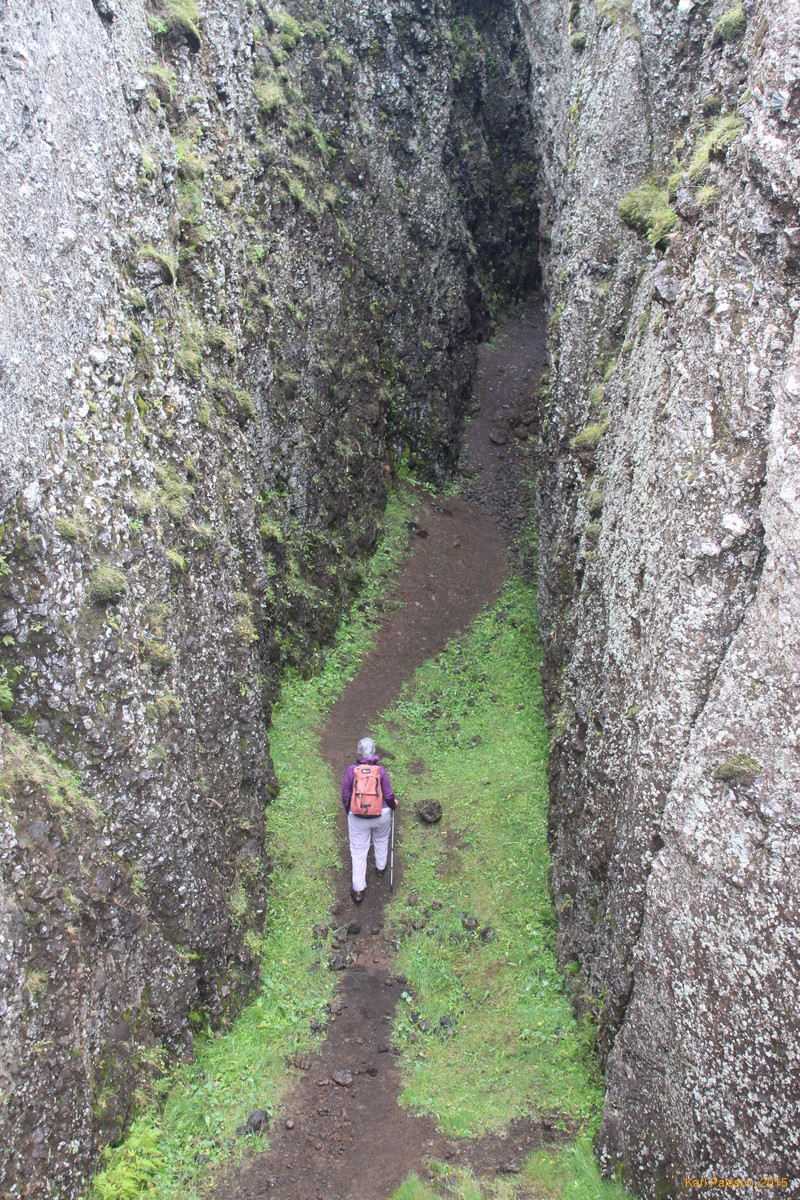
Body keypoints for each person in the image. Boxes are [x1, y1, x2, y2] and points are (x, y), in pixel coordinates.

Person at [341, 737, 397, 903]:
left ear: (359, 753)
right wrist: (393, 806)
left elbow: (345, 795)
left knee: (358, 851)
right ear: (374, 752)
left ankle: (358, 890)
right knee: (380, 839)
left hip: (357, 817)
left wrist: (349, 811)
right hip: (381, 814)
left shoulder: (352, 771)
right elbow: (388, 795)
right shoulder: (380, 771)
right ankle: (380, 869)